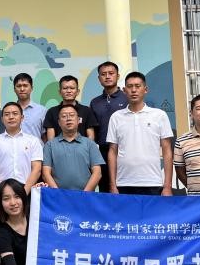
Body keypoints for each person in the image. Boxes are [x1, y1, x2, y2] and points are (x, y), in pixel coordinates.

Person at [0, 102, 42, 259]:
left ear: (22, 117)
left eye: (15, 114)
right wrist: (1, 194)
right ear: (2, 118)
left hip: (25, 189)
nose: (11, 117)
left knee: (26, 229)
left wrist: (23, 193)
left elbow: (36, 169)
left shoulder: (33, 141)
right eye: (7, 114)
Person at [106, 72, 174, 196]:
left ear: (145, 89)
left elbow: (167, 150)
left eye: (137, 86)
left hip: (153, 182)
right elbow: (112, 151)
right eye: (130, 86)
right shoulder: (116, 117)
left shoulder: (159, 115)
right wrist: (112, 185)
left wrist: (167, 186)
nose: (134, 90)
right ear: (124, 90)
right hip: (123, 183)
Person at [41, 105, 104, 191]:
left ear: (78, 120)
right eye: (64, 116)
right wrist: (58, 194)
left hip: (85, 195)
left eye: (72, 115)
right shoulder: (50, 145)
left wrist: (84, 194)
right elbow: (45, 173)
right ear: (59, 122)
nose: (68, 119)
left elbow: (97, 173)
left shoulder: (90, 144)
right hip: (58, 196)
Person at [89, 61, 129, 192]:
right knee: (106, 189)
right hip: (103, 152)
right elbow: (93, 130)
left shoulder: (127, 98)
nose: (107, 76)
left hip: (125, 150)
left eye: (111, 73)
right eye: (103, 74)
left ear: (118, 76)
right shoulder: (94, 102)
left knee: (126, 189)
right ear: (99, 78)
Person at [42, 75, 99, 141]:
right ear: (60, 92)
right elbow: (51, 140)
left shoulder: (87, 111)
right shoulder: (52, 112)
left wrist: (87, 147)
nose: (68, 91)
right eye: (65, 88)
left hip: (83, 147)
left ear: (77, 92)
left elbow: (90, 137)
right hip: (58, 147)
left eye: (72, 88)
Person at [13, 73, 46, 140]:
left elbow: (45, 137)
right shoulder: (9, 111)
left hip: (36, 147)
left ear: (31, 88)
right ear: (14, 89)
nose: (22, 89)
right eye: (19, 86)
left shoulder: (42, 110)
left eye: (25, 86)